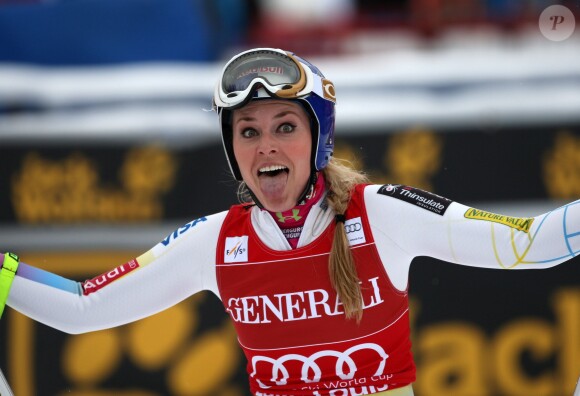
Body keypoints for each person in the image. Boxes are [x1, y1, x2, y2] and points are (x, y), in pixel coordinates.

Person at [0, 47, 578, 396]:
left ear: (317, 138)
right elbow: (82, 309)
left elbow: (533, 244)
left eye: (285, 126)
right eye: (247, 131)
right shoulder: (217, 242)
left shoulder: (382, 214)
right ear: (233, 151)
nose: (265, 145)